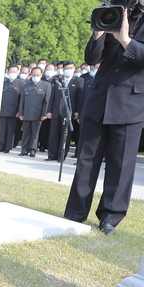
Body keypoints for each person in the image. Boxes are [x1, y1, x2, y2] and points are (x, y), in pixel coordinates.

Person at [64, 2, 144, 235]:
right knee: (86, 161)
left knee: (120, 166)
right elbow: (91, 59)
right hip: (99, 99)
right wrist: (98, 30)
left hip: (131, 104)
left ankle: (110, 218)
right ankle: (75, 214)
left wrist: (125, 40)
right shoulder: (119, 13)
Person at [46, 60, 84, 162]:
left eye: (70, 68)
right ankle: (51, 155)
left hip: (68, 112)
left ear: (74, 69)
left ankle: (61, 156)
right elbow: (52, 97)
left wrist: (77, 111)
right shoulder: (57, 80)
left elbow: (79, 98)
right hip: (55, 111)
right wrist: (49, 110)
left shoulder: (78, 81)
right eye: (66, 68)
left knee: (65, 136)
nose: (68, 70)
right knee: (53, 134)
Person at [17, 67, 51, 157]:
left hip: (38, 114)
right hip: (27, 113)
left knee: (35, 133)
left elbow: (46, 101)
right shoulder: (26, 85)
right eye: (34, 75)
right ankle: (24, 149)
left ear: (41, 74)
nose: (36, 76)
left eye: (37, 74)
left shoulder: (46, 85)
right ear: (31, 75)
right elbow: (22, 101)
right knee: (26, 132)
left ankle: (32, 150)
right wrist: (21, 113)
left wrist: (44, 114)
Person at [0, 65, 23, 154]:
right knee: (2, 130)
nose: (12, 73)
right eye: (10, 72)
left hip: (13, 112)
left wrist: (19, 111)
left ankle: (8, 147)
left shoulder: (20, 83)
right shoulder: (3, 83)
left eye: (14, 72)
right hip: (3, 110)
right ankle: (1, 146)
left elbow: (21, 99)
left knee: (10, 130)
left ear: (18, 73)